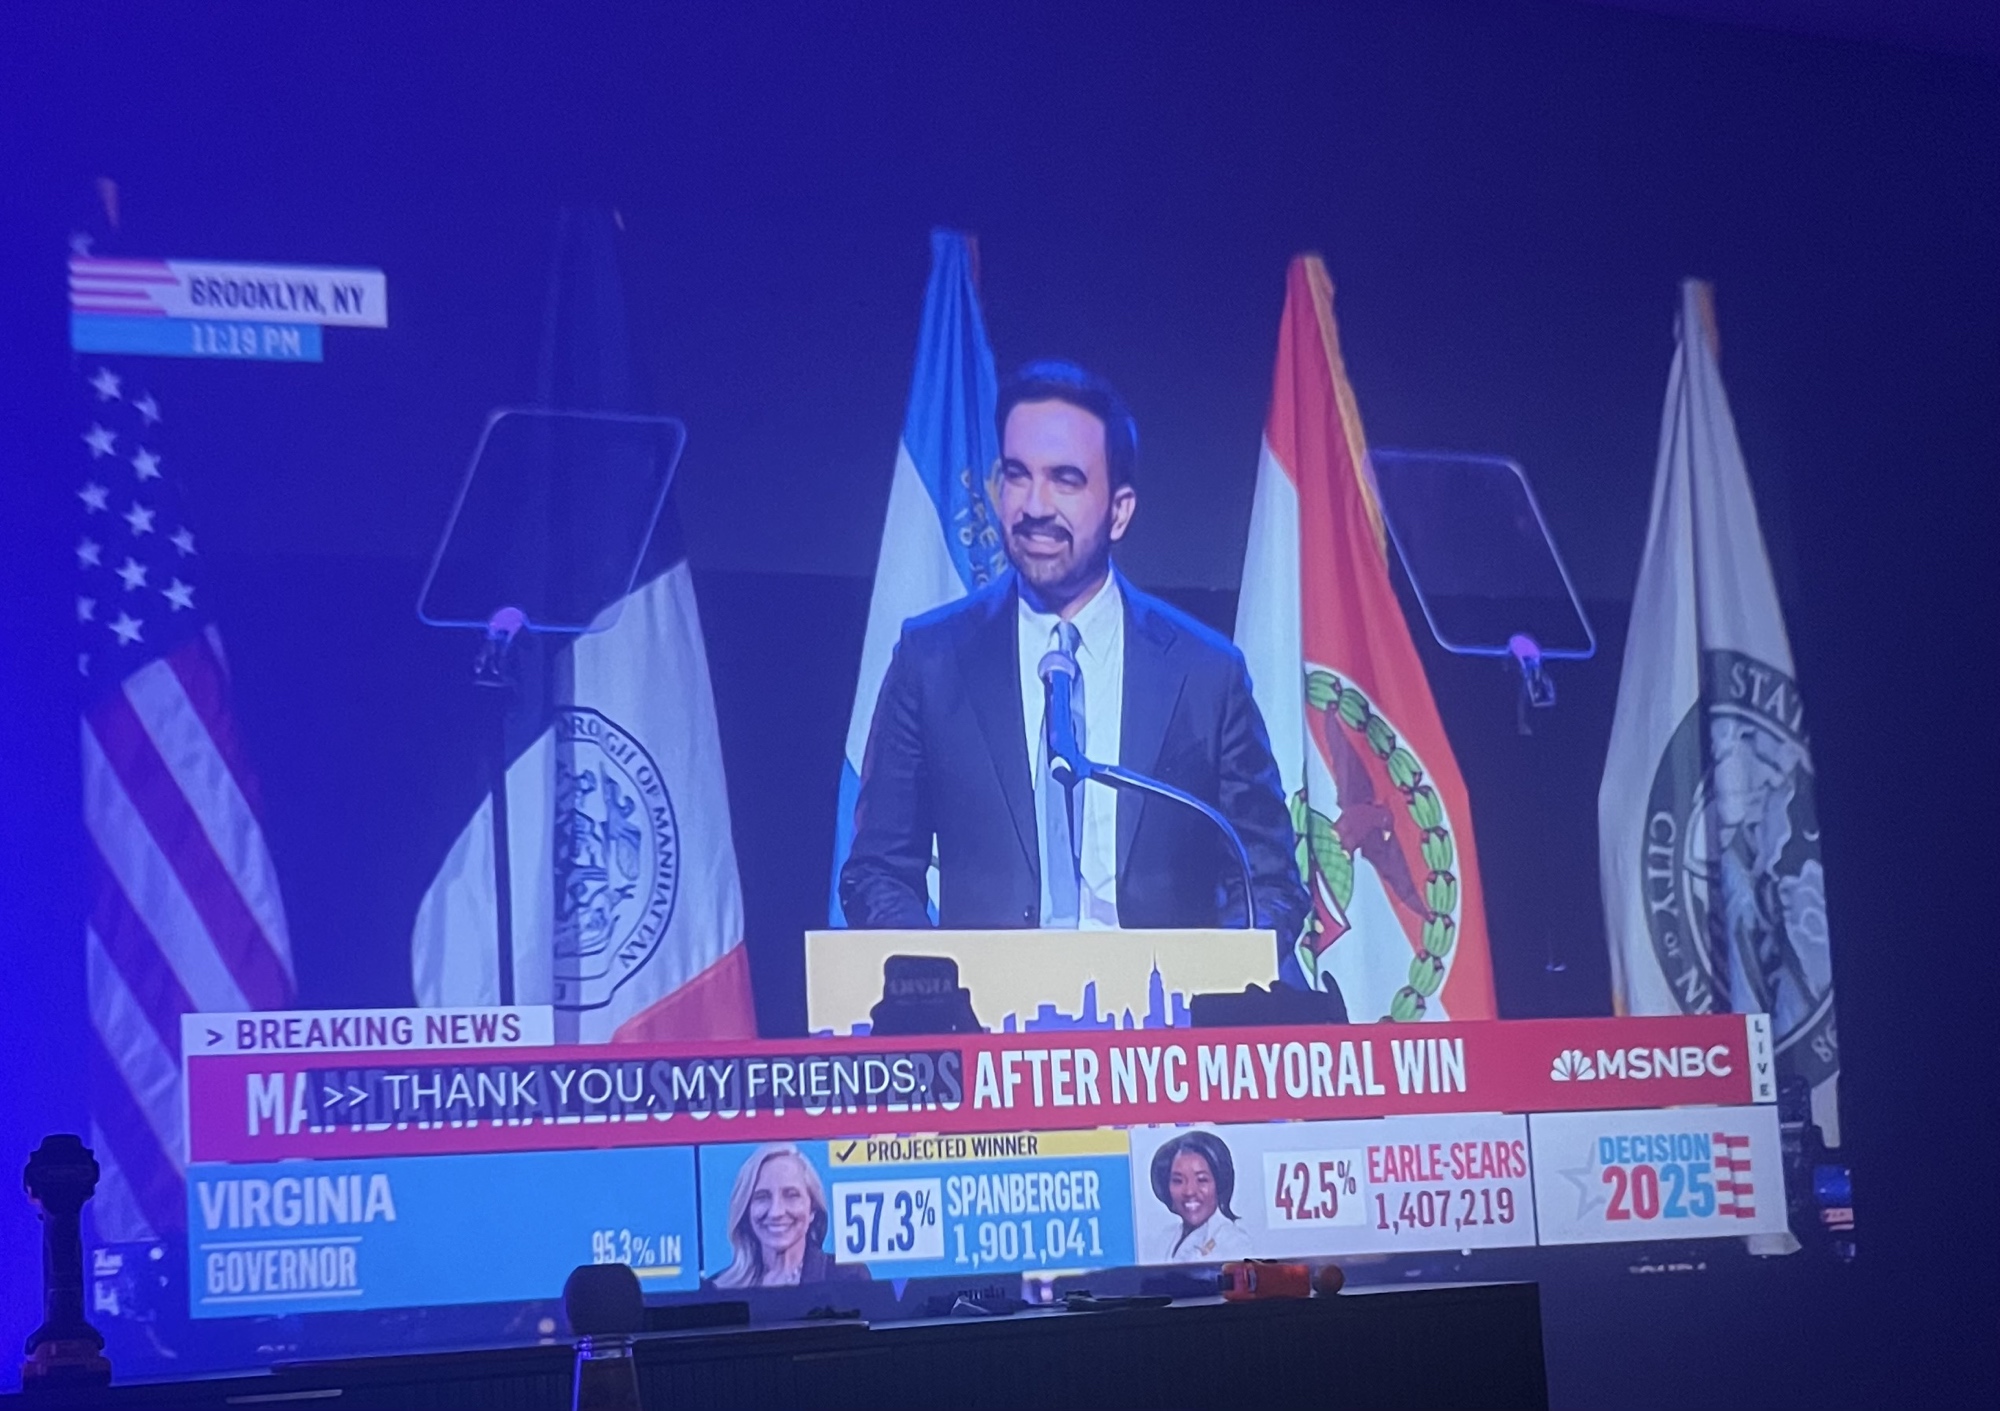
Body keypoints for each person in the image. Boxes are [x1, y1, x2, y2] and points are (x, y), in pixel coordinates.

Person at [839, 360, 1309, 947]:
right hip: (985, 1002)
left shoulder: (1205, 674)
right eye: (1017, 475)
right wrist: (940, 980)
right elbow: (877, 873)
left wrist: (1210, 982)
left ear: (1120, 510)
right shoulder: (931, 660)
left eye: (1065, 480)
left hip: (1162, 1002)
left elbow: (1267, 883)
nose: (1035, 506)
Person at [708, 1144, 868, 1288]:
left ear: (812, 1209)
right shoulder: (716, 1288)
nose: (776, 1212)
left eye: (791, 1195)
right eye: (762, 1197)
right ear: (746, 1212)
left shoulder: (848, 1277)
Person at [1147, 1131, 1252, 1262]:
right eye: (1178, 1181)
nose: (1189, 1191)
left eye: (1202, 1180)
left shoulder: (1235, 1242)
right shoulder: (1164, 1238)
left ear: (1219, 1183)